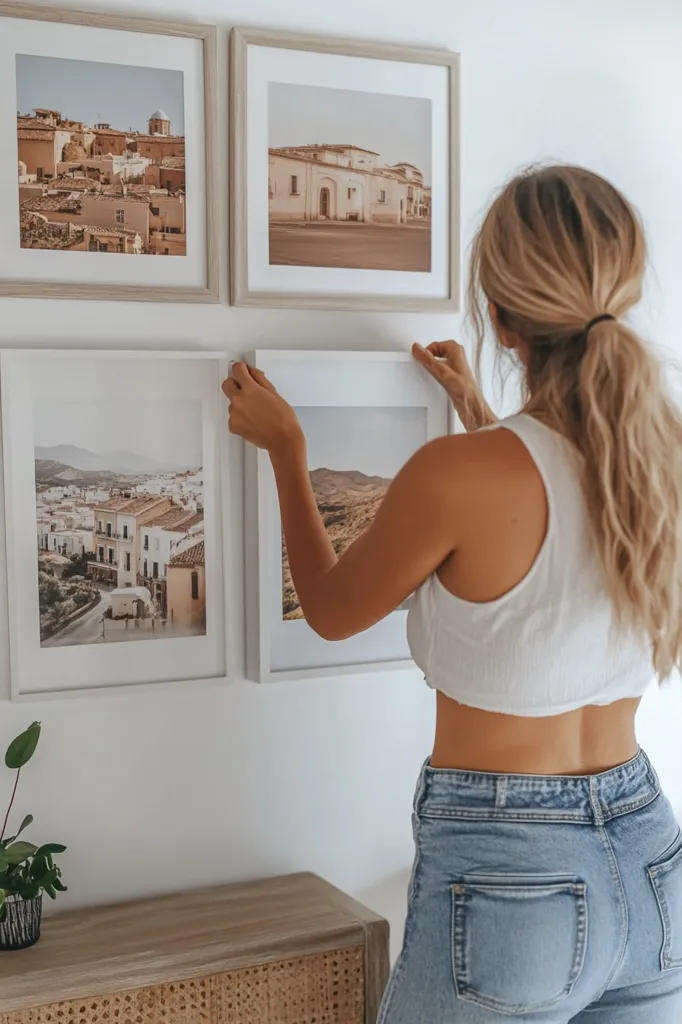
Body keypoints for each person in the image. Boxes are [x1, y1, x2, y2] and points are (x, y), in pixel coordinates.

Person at [223, 164, 682, 1022]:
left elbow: (328, 609)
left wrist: (287, 448)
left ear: (501, 319)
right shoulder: (658, 460)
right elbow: (559, 543)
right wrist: (480, 410)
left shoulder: (458, 477)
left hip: (513, 873)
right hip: (652, 863)